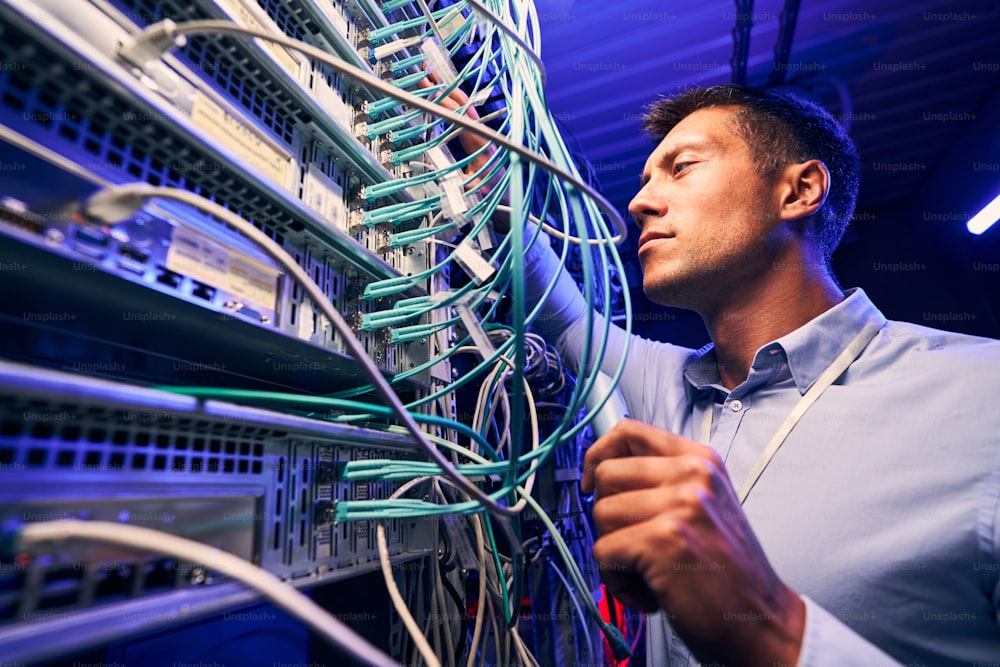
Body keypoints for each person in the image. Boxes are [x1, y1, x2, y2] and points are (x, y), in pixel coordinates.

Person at [441, 80, 1000, 665]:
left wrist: (776, 633)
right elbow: (564, 317)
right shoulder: (672, 387)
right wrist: (489, 175)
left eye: (681, 168)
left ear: (800, 190)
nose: (640, 203)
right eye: (645, 181)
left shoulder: (981, 399)